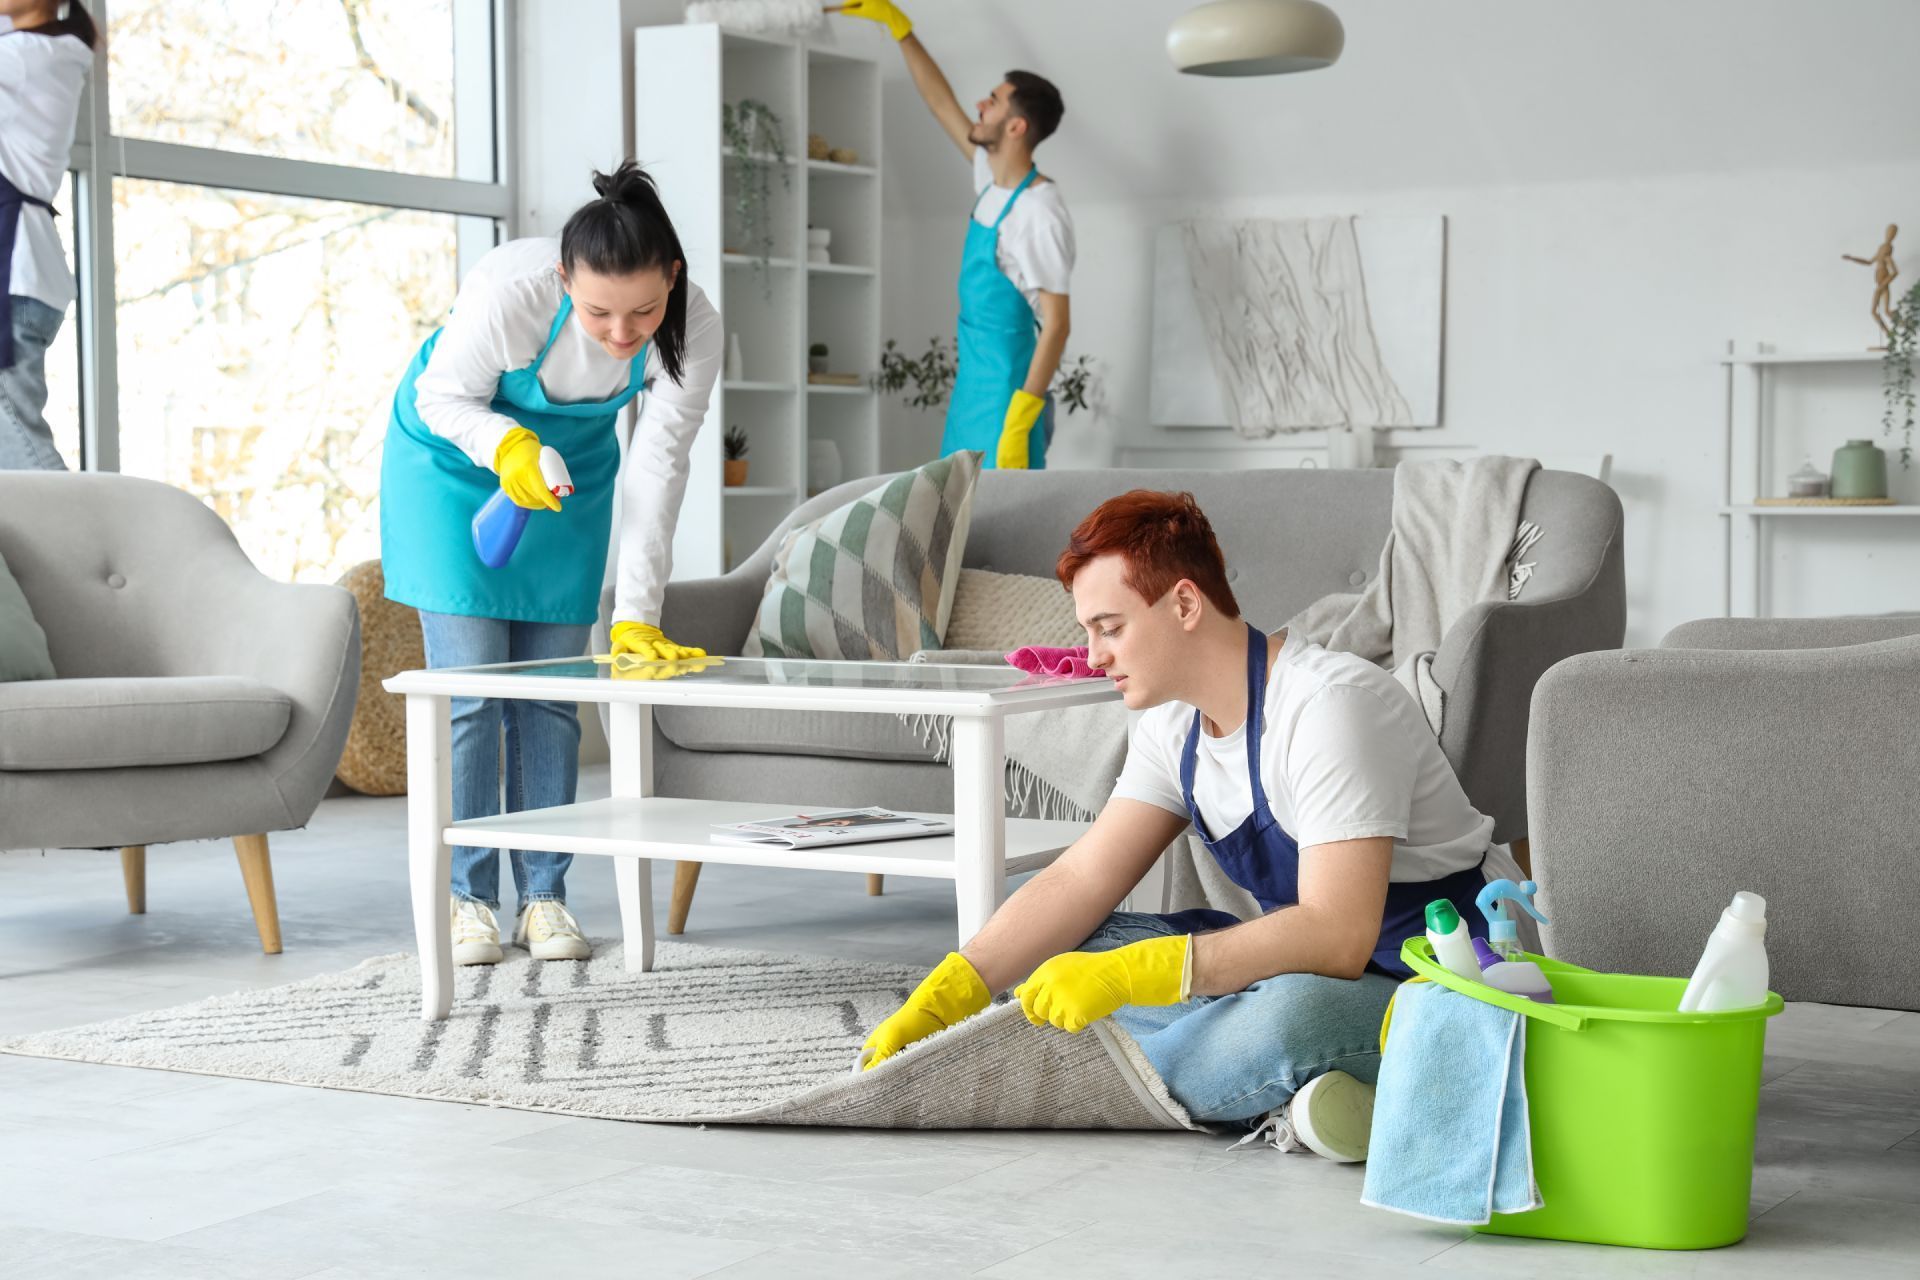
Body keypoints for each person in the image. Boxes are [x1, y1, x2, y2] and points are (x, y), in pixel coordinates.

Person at [858, 491, 1497, 1162]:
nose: (1093, 656)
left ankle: (1115, 1077)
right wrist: (955, 989)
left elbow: (1337, 935)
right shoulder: (1172, 727)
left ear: (1185, 604)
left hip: (1424, 985)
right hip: (1290, 966)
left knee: (1282, 1021)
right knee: (1056, 954)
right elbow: (1082, 877)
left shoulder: (1330, 708)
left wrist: (1143, 974)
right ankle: (1291, 1090)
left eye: (1110, 628)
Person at [381, 161, 721, 966]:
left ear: (672, 278)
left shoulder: (696, 329)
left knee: (551, 698)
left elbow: (658, 468)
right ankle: (466, 899)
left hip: (572, 475)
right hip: (453, 465)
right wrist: (508, 446)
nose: (621, 333)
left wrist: (636, 615)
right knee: (472, 694)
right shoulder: (513, 293)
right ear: (565, 280)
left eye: (643, 311)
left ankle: (544, 897)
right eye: (598, 311)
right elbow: (442, 397)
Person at [836, 1, 1072, 470]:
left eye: (993, 101)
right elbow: (940, 103)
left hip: (1008, 399)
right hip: (971, 394)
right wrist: (900, 29)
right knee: (952, 507)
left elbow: (1057, 325)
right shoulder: (993, 183)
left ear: (1016, 126)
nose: (980, 105)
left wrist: (1020, 421)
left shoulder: (1039, 212)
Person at [0, 0, 94, 470]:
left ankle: (76, 523)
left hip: (14, 273)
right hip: (24, 271)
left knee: (18, 441)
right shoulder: (39, 52)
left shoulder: (26, 55)